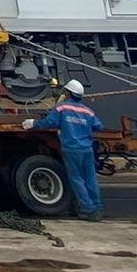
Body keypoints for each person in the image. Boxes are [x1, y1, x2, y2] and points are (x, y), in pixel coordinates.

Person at [25, 80, 103, 220]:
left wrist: (33, 123)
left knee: (77, 179)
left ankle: (88, 210)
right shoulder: (88, 111)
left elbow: (49, 123)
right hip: (86, 148)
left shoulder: (61, 108)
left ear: (68, 93)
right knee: (90, 179)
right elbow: (99, 126)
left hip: (71, 149)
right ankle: (97, 208)